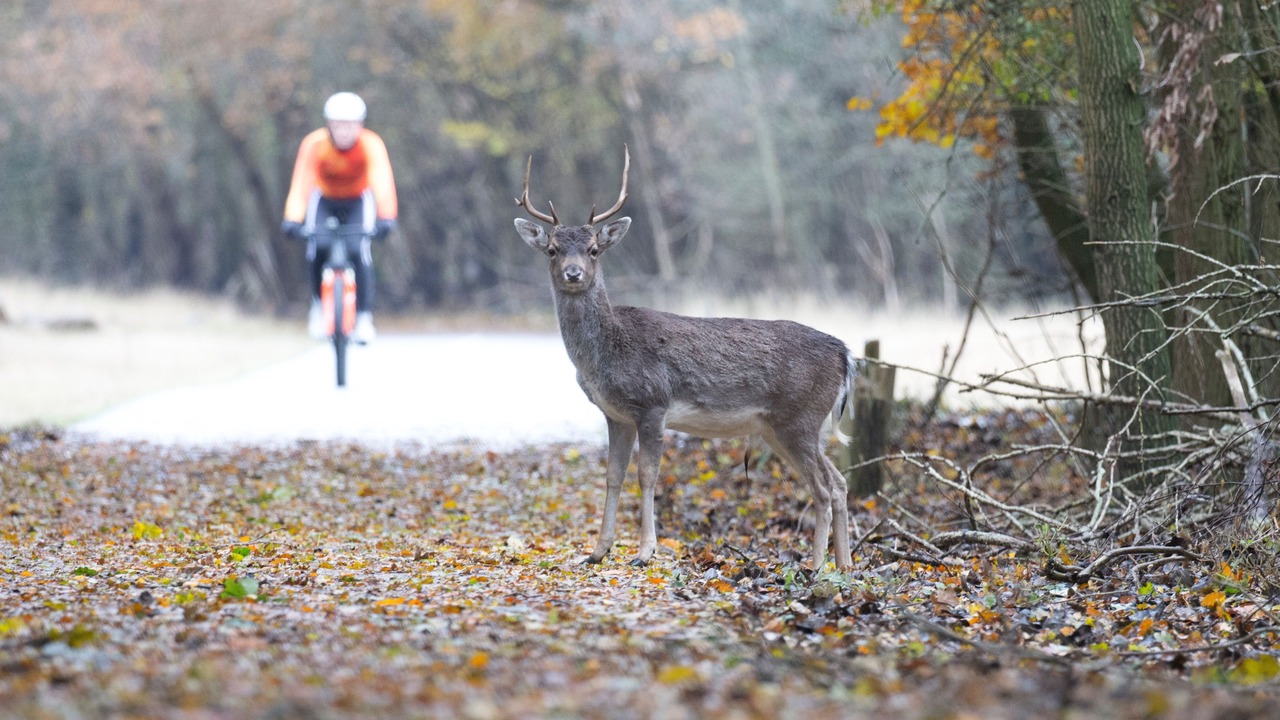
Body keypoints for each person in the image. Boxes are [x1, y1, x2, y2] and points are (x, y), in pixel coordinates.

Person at [281, 91, 397, 343]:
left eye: (349, 125)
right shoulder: (315, 145)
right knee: (318, 247)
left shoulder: (371, 144)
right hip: (325, 200)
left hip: (357, 200)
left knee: (358, 250)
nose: (344, 131)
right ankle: (317, 308)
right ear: (328, 125)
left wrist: (387, 217)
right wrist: (292, 218)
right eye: (338, 125)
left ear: (360, 126)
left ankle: (364, 318)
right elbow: (302, 182)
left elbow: (381, 180)